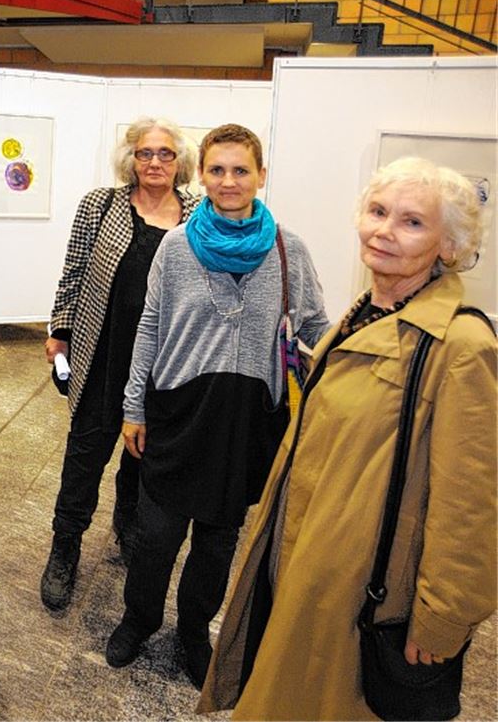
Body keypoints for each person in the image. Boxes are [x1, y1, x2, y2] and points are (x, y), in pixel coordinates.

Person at [199, 157, 497, 719]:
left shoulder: (460, 346)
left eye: (412, 222)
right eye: (378, 212)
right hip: (304, 554)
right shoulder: (362, 316)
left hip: (360, 586)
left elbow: (472, 509)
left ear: (449, 246)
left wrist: (444, 619)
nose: (384, 230)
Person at [106, 124, 330, 687]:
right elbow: (149, 328)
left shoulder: (288, 249)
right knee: (154, 536)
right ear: (200, 174)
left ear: (261, 174)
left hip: (247, 421)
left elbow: (317, 328)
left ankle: (193, 631)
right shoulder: (177, 246)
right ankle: (140, 618)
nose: (228, 182)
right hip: (178, 412)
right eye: (217, 170)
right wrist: (134, 407)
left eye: (241, 170)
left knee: (218, 541)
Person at [40, 117, 201, 612]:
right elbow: (74, 271)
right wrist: (59, 332)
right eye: (145, 153)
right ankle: (64, 547)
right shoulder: (101, 205)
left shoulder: (199, 213)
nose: (154, 162)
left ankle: (128, 526)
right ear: (130, 160)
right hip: (105, 352)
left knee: (145, 455)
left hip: (166, 362)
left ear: (181, 162)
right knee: (85, 456)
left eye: (165, 154)